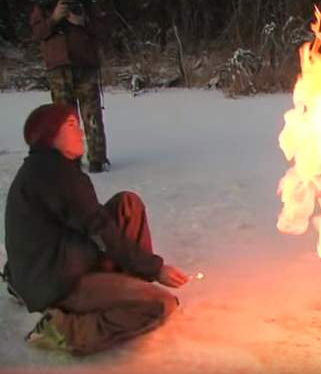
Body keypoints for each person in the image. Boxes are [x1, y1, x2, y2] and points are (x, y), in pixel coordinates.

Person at [3, 103, 189, 354]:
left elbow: (92, 220)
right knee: (160, 304)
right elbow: (99, 229)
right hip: (58, 284)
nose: (80, 132)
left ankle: (126, 288)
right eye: (71, 126)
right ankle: (64, 330)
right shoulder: (53, 173)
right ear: (49, 134)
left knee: (127, 204)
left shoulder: (47, 168)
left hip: (56, 264)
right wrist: (156, 268)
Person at [30, 0, 110, 173]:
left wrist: (83, 22)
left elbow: (103, 31)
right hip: (59, 69)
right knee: (63, 118)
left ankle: (96, 159)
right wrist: (54, 19)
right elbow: (36, 34)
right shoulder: (44, 7)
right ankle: (68, 159)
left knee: (92, 114)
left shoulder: (87, 5)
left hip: (85, 66)